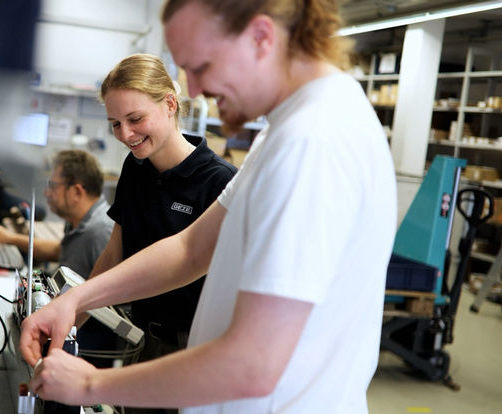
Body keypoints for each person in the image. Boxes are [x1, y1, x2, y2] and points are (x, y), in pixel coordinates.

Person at [21, 1, 397, 413]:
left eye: (201, 66)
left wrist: (89, 384)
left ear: (260, 37)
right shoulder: (285, 132)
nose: (194, 91)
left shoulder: (313, 143)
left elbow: (254, 365)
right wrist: (74, 301)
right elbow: (190, 250)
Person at [85, 53, 236, 371]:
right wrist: (69, 315)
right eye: (115, 124)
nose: (125, 134)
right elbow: (115, 253)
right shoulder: (136, 166)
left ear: (170, 104)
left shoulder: (220, 181)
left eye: (135, 119)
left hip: (193, 348)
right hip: (137, 338)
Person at [0, 149, 113, 279]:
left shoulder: (101, 232)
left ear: (77, 192)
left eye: (53, 186)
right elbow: (61, 251)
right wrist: (11, 238)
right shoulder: (79, 220)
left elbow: (109, 294)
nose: (46, 193)